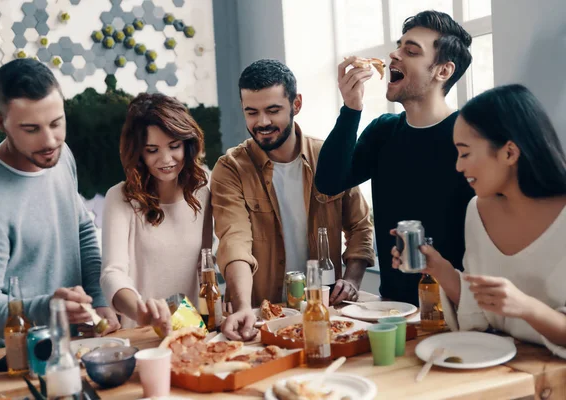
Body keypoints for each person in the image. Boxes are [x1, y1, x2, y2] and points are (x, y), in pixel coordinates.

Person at [392, 84, 566, 356]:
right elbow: (482, 312)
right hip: (497, 370)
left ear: (509, 153)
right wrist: (439, 269)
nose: (458, 166)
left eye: (465, 153)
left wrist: (527, 307)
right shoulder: (477, 211)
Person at [315, 11, 474, 305]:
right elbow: (328, 182)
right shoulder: (383, 132)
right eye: (399, 46)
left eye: (410, 51)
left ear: (443, 71)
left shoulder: (470, 137)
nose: (394, 54)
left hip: (458, 309)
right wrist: (351, 107)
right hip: (391, 307)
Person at [211, 59, 375, 341]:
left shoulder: (329, 155)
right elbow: (234, 240)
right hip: (263, 315)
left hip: (327, 311)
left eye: (273, 110)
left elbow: (361, 225)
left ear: (296, 104)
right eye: (252, 112)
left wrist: (352, 279)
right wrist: (241, 307)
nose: (262, 122)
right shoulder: (230, 168)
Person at [0, 59, 119, 351]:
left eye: (56, 123)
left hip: (70, 345)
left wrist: (98, 300)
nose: (50, 140)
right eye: (31, 129)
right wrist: (47, 309)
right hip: (7, 359)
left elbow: (82, 229)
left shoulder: (59, 155)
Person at [100, 93, 211, 336]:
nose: (166, 160)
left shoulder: (204, 189)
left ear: (187, 144)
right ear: (138, 152)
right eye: (152, 150)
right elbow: (112, 273)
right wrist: (142, 313)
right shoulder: (120, 198)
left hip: (193, 330)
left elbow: (207, 265)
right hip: (142, 332)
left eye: (174, 146)